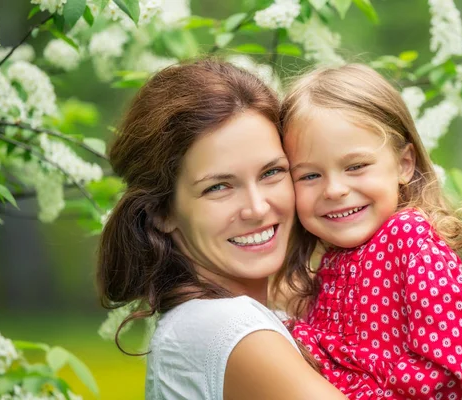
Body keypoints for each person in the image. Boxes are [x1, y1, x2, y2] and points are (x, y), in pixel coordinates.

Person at [96, 59, 345, 400]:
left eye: (271, 172)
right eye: (218, 187)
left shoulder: (235, 320)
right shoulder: (227, 327)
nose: (257, 208)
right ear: (161, 211)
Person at [274, 63, 462, 399]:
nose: (334, 190)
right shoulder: (333, 260)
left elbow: (454, 370)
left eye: (356, 166)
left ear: (404, 164)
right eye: (309, 176)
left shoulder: (410, 240)